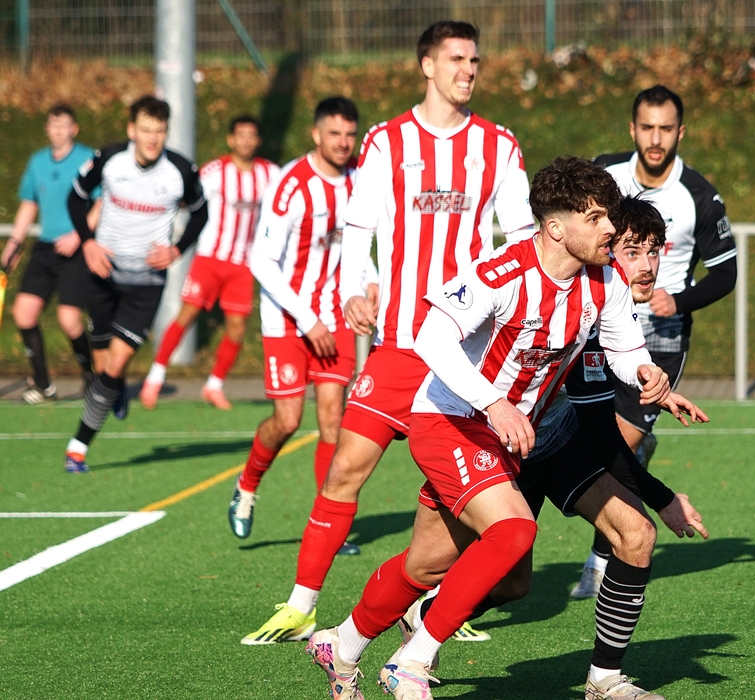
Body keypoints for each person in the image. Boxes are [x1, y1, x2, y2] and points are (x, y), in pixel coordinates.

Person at [301, 156, 681, 700]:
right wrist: (496, 403)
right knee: (515, 530)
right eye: (596, 218)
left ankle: (341, 643)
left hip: (509, 435)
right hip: (451, 420)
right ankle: (412, 662)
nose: (610, 229)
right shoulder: (501, 272)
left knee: (425, 567)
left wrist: (644, 370)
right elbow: (431, 338)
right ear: (556, 228)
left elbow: (624, 346)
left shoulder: (604, 280)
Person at [240, 20, 534, 646]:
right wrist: (353, 286)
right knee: (346, 467)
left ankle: (436, 606)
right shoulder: (386, 140)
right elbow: (359, 226)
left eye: (475, 60)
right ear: (427, 65)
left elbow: (522, 241)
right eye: (456, 58)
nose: (468, 69)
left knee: (458, 496)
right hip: (400, 343)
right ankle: (301, 605)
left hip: (465, 355)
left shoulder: (499, 145)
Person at [572, 85, 737, 598]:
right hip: (598, 326)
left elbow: (726, 273)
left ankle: (602, 557)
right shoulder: (606, 176)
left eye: (666, 128)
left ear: (680, 132)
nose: (656, 138)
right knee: (591, 440)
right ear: (633, 129)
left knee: (619, 445)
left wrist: (678, 301)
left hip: (660, 339)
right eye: (647, 127)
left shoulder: (699, 195)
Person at [226, 97, 366, 540]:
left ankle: (327, 526)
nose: (343, 143)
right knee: (287, 420)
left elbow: (358, 245)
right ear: (316, 134)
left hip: (335, 314)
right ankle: (247, 485)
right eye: (334, 134)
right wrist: (308, 320)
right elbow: (261, 260)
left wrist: (372, 282)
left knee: (332, 419)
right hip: (288, 316)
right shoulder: (291, 184)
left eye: (350, 134)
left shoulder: (360, 179)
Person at [63, 95, 207, 474]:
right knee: (103, 366)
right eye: (146, 130)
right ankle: (114, 386)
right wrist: (88, 243)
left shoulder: (180, 170)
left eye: (160, 131)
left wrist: (176, 250)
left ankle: (78, 447)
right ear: (132, 130)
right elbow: (75, 199)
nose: (153, 138)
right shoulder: (109, 159)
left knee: (115, 362)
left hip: (146, 283)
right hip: (103, 273)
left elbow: (201, 212)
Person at [139, 116, 278, 410]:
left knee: (237, 327)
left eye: (251, 135)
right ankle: (155, 377)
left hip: (242, 264)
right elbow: (187, 198)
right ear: (231, 139)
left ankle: (214, 385)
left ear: (258, 141)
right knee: (187, 314)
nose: (246, 141)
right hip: (210, 258)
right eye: (241, 135)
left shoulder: (269, 173)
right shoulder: (216, 171)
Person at [0, 104, 98, 404]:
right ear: (47, 128)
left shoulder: (87, 159)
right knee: (23, 312)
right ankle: (43, 385)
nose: (58, 131)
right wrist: (14, 245)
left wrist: (79, 236)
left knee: (69, 319)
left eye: (64, 125)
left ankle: (90, 377)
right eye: (53, 125)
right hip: (45, 248)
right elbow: (29, 204)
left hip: (77, 248)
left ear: (74, 129)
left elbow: (102, 202)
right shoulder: (38, 162)